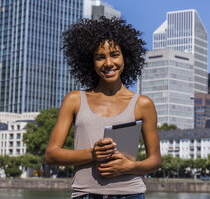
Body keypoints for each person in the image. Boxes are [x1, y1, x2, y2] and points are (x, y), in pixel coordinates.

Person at [45, 17, 161, 199]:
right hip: (85, 195)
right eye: (100, 57)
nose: (108, 63)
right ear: (90, 62)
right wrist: (92, 153)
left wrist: (130, 167)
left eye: (114, 54)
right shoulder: (74, 100)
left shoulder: (143, 104)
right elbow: (51, 155)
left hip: (130, 194)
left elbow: (155, 160)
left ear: (125, 56)